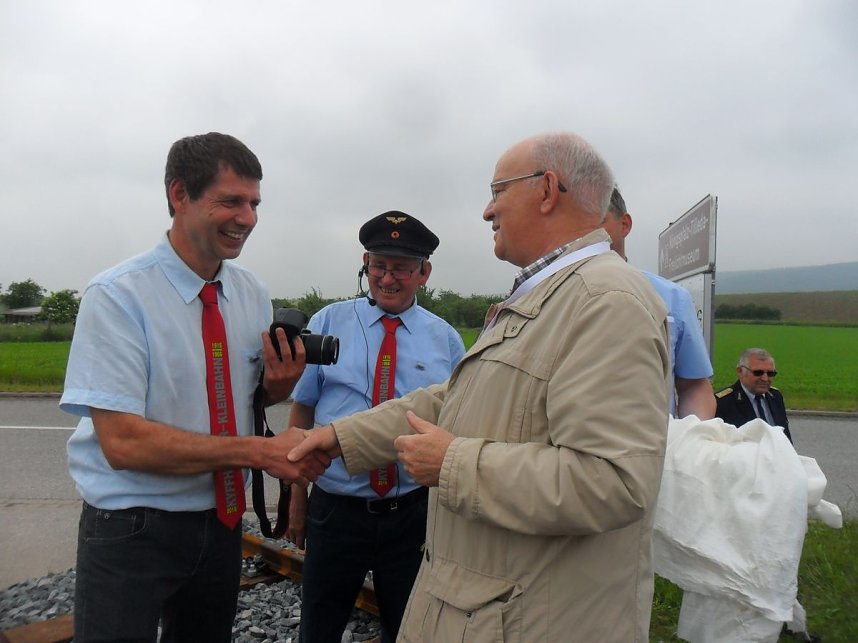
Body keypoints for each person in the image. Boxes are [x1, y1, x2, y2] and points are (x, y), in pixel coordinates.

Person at [289, 132, 672, 641]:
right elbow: (456, 398)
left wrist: (451, 463)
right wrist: (341, 437)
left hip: (534, 620)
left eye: (498, 191)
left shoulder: (605, 302)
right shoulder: (551, 294)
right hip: (497, 607)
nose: (488, 210)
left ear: (547, 190)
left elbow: (615, 482)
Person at [60, 132, 328, 643]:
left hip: (220, 521)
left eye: (254, 203)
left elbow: (238, 400)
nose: (247, 218)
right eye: (231, 201)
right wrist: (260, 452)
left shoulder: (250, 291)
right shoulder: (117, 296)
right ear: (180, 195)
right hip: (132, 525)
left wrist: (276, 387)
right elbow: (123, 443)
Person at [287, 211, 465, 643]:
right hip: (336, 510)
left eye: (400, 268)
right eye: (378, 266)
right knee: (319, 626)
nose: (387, 278)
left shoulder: (446, 340)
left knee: (408, 628)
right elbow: (302, 410)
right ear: (365, 264)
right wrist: (296, 499)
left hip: (411, 513)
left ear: (423, 273)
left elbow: (458, 423)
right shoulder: (327, 324)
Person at [603, 187, 716, 419]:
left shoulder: (672, 298)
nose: (582, 235)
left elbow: (694, 385)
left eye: (596, 222)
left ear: (624, 224)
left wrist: (693, 434)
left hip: (655, 440)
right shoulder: (545, 296)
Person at [715, 347, 792, 442]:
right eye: (758, 373)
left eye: (770, 373)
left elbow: (786, 437)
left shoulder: (775, 397)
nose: (765, 378)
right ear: (740, 371)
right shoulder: (723, 402)